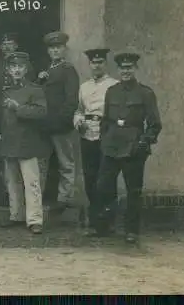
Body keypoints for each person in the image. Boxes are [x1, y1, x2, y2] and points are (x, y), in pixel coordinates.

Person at [94, 51, 162, 243]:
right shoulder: (112, 91)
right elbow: (106, 119)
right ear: (118, 70)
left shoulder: (145, 93)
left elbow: (155, 123)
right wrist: (104, 138)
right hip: (112, 147)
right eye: (123, 68)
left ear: (135, 69)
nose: (126, 71)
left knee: (133, 191)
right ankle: (106, 226)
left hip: (134, 148)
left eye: (129, 68)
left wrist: (144, 142)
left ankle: (131, 231)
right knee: (103, 186)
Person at [0, 52, 51, 234]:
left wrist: (18, 108)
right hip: (9, 141)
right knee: (12, 182)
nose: (16, 70)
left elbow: (41, 112)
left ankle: (35, 219)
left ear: (26, 69)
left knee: (31, 182)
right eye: (13, 67)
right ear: (8, 70)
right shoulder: (5, 90)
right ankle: (16, 215)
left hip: (28, 142)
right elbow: (1, 117)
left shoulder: (35, 90)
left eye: (20, 67)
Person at [0, 33, 36, 206]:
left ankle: (23, 203)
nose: (7, 46)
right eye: (4, 43)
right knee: (4, 157)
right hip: (0, 113)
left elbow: (31, 88)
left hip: (21, 114)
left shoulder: (25, 65)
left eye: (10, 43)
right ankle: (7, 196)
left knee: (24, 160)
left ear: (16, 45)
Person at [73, 48, 118, 234]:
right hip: (87, 135)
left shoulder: (114, 85)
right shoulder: (84, 87)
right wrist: (78, 121)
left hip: (106, 135)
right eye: (93, 62)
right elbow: (79, 110)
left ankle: (107, 222)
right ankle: (94, 220)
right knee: (90, 178)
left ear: (105, 64)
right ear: (89, 65)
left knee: (106, 179)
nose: (97, 65)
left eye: (100, 62)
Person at [37, 31, 80, 215]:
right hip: (44, 125)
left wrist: (62, 120)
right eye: (52, 48)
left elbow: (71, 100)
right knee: (42, 163)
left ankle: (65, 199)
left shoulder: (68, 70)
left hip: (60, 125)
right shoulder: (48, 70)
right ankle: (37, 199)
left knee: (65, 162)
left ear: (64, 49)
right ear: (48, 51)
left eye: (58, 47)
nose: (55, 51)